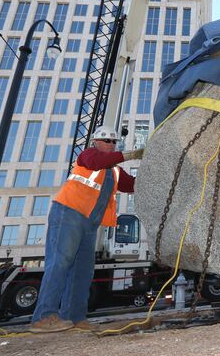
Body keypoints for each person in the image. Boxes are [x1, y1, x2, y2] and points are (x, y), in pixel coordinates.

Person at [29, 126, 143, 333]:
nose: (111, 144)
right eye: (106, 140)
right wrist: (130, 155)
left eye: (114, 141)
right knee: (60, 262)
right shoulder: (88, 155)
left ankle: (74, 316)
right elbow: (97, 162)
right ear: (95, 142)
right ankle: (44, 316)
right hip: (68, 213)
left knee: (83, 270)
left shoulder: (115, 171)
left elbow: (133, 185)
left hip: (90, 223)